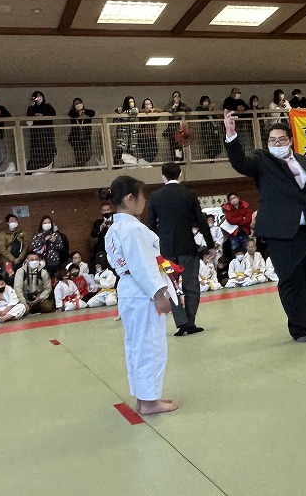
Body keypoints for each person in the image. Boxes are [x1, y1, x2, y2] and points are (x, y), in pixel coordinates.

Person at [224, 111, 306, 342]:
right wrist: (231, 134)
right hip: (282, 234)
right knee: (291, 280)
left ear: (290, 140)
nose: (277, 144)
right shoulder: (263, 161)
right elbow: (241, 163)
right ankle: (299, 328)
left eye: (281, 140)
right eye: (272, 141)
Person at [103, 176, 179, 415]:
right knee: (150, 346)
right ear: (129, 199)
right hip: (142, 291)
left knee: (137, 346)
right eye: (142, 195)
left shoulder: (114, 228)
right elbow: (142, 266)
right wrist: (159, 294)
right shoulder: (133, 228)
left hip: (129, 290)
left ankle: (144, 397)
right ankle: (149, 402)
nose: (144, 200)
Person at [145, 162, 213, 337]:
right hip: (187, 247)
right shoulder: (189, 194)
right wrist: (210, 244)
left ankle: (181, 322)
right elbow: (200, 220)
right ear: (180, 174)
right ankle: (190, 322)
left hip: (166, 250)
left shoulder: (155, 196)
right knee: (191, 286)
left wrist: (152, 248)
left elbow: (150, 225)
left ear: (163, 176)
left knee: (171, 287)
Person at [26, 90, 57, 171]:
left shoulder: (47, 106)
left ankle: (48, 168)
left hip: (47, 133)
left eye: (40, 96)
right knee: (37, 151)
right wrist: (33, 104)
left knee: (48, 151)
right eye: (36, 96)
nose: (38, 98)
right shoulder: (32, 108)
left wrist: (43, 115)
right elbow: (29, 113)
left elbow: (53, 113)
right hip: (36, 134)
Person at [68, 97, 96, 167]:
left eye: (79, 103)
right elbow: (72, 114)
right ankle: (80, 167)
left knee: (89, 153)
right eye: (75, 104)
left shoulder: (87, 112)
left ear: (82, 103)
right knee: (78, 154)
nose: (77, 105)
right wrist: (78, 113)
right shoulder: (72, 112)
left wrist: (84, 111)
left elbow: (93, 113)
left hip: (86, 137)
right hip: (75, 138)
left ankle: (80, 165)